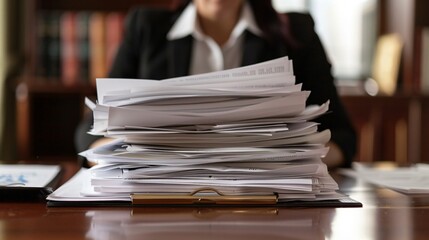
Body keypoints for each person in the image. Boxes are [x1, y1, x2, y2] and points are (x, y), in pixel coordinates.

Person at [75, 0, 356, 168]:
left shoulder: (297, 32)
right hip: (159, 199)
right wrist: (128, 156)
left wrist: (294, 162)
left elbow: (342, 135)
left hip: (265, 199)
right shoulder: (146, 28)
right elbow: (88, 132)